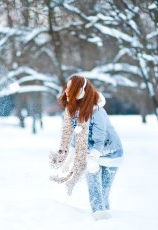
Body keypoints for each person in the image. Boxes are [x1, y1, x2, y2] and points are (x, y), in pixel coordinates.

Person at [49, 75, 124, 220]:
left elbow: (99, 137)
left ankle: (107, 221)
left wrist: (94, 157)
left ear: (82, 90)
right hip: (90, 153)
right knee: (95, 189)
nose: (67, 91)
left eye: (72, 88)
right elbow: (75, 133)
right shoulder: (73, 110)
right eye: (67, 88)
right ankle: (100, 217)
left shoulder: (97, 111)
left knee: (103, 192)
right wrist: (70, 157)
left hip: (110, 152)